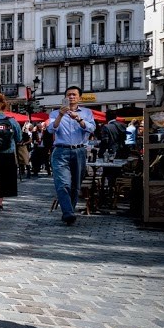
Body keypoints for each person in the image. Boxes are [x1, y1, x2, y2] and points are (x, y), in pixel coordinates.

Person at [47, 85, 96, 226]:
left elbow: (92, 128)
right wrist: (61, 115)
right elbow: (51, 129)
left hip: (79, 151)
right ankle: (68, 213)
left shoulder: (87, 113)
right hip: (60, 151)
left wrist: (79, 119)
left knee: (75, 185)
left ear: (79, 97)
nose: (71, 97)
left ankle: (70, 211)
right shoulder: (55, 113)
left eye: (74, 94)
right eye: (69, 95)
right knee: (63, 184)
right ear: (65, 97)